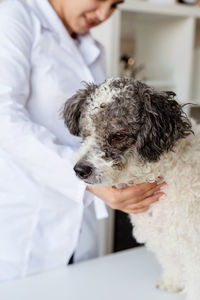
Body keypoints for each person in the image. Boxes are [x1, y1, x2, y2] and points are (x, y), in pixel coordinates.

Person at [0, 0, 165, 282]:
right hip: (29, 214)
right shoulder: (15, 15)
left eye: (114, 5)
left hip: (83, 215)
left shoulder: (91, 48)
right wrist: (90, 186)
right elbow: (5, 119)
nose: (103, 14)